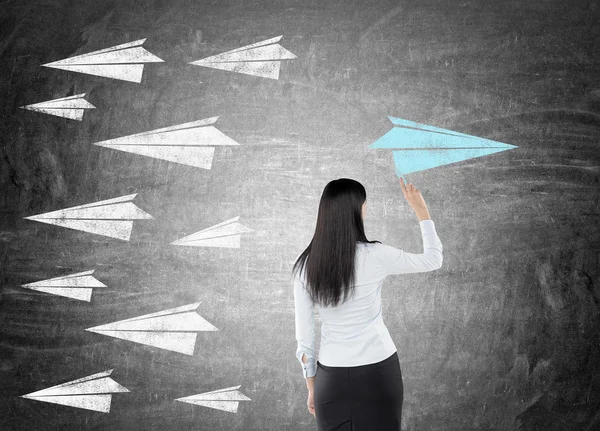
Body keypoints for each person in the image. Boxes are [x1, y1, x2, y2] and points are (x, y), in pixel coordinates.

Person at [293, 177, 443, 430]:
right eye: (365, 205)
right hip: (379, 372)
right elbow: (433, 260)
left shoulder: (305, 267)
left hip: (331, 378)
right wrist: (422, 211)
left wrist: (312, 388)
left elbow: (305, 340)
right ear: (357, 210)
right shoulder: (376, 255)